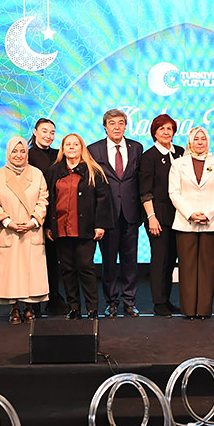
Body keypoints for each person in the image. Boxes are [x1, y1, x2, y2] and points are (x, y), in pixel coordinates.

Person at [45, 133, 113, 320]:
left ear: (82, 148)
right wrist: (48, 226)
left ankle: (92, 308)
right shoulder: (54, 171)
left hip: (86, 229)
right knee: (67, 270)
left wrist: (100, 225)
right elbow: (48, 200)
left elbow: (103, 199)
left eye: (76, 144)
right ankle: (74, 307)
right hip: (61, 228)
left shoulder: (93, 170)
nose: (72, 147)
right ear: (63, 148)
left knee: (85, 267)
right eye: (68, 144)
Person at [88, 109, 144, 317]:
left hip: (130, 213)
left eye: (121, 123)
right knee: (109, 261)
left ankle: (130, 301)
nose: (117, 127)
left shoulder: (136, 148)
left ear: (126, 126)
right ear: (105, 127)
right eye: (112, 123)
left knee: (130, 261)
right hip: (106, 215)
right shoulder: (94, 150)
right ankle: (111, 302)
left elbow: (139, 180)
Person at [0, 137, 49, 324]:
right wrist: (7, 222)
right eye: (14, 151)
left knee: (31, 271)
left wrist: (34, 221)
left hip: (31, 230)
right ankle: (14, 308)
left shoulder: (37, 174)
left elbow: (43, 200)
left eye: (22, 151)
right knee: (11, 273)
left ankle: (29, 308)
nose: (18, 155)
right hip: (9, 231)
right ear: (8, 153)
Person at [168, 127, 214, 320]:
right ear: (190, 142)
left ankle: (203, 310)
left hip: (211, 221)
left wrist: (208, 214)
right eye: (196, 139)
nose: (200, 142)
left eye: (203, 139)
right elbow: (174, 192)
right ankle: (189, 310)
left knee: (208, 267)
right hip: (186, 221)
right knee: (187, 267)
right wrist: (191, 214)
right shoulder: (178, 164)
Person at [139, 113, 185, 316]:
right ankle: (158, 302)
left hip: (179, 215)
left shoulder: (181, 152)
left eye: (169, 129)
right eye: (161, 129)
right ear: (154, 133)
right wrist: (151, 217)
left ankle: (166, 299)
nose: (166, 132)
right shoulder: (149, 157)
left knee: (172, 259)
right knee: (160, 259)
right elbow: (145, 190)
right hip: (158, 216)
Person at [27, 117, 65, 316]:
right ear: (35, 132)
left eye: (52, 132)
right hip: (33, 213)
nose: (48, 136)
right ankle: (33, 302)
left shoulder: (59, 155)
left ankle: (54, 297)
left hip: (55, 213)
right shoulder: (27, 155)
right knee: (34, 259)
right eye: (44, 131)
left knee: (53, 258)